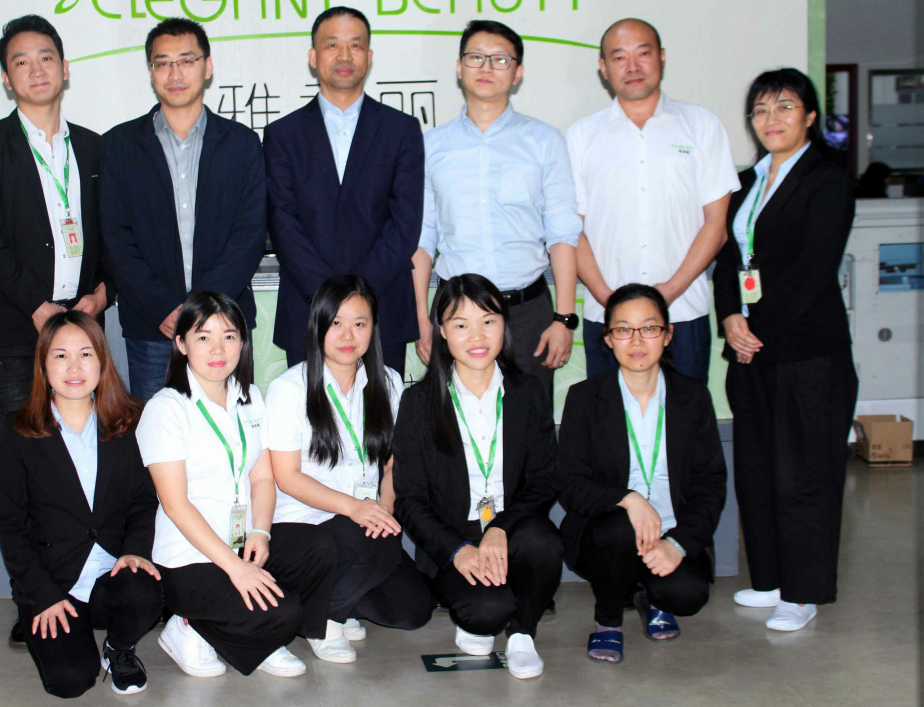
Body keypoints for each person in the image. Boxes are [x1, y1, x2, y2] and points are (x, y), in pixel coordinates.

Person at [713, 68, 858, 632]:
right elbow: (730, 259)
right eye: (761, 109)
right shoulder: (747, 182)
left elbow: (814, 269)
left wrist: (757, 330)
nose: (771, 119)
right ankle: (771, 579)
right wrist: (731, 317)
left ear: (810, 116)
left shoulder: (827, 179)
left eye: (784, 107)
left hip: (806, 353)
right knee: (758, 471)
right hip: (750, 351)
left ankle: (804, 591)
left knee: (804, 474)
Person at [137, 291, 340, 678]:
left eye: (229, 336)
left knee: (319, 546)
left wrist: (261, 532)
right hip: (189, 557)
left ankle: (257, 634)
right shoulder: (165, 408)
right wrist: (235, 568)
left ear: (242, 342)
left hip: (240, 541)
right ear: (181, 344)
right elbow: (176, 505)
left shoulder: (250, 397)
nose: (218, 349)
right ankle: (189, 626)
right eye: (203, 337)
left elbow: (262, 477)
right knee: (285, 614)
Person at [393, 274, 563, 680]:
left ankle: (523, 634)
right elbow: (410, 499)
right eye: (461, 324)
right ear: (442, 331)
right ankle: (487, 608)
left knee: (544, 541)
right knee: (487, 612)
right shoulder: (418, 402)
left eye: (488, 321)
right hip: (453, 535)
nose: (477, 336)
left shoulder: (528, 392)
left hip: (512, 528)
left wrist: (501, 527)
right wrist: (456, 549)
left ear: (505, 324)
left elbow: (544, 480)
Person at [0, 311, 162, 697]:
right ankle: (69, 635)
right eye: (60, 355)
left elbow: (142, 501)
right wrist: (42, 594)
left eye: (85, 354)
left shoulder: (129, 422)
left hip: (111, 573)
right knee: (70, 683)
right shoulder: (18, 430)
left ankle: (118, 648)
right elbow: (9, 524)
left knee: (144, 591)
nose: (74, 367)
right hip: (53, 582)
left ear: (102, 361)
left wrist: (135, 551)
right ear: (43, 365)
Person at [557, 284, 726, 664]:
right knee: (621, 528)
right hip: (607, 533)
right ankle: (607, 621)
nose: (636, 340)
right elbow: (570, 484)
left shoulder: (693, 397)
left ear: (667, 334)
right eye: (623, 329)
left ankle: (651, 596)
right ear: (607, 338)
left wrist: (678, 544)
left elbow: (711, 484)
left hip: (671, 530)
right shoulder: (585, 398)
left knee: (687, 595)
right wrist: (629, 500)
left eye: (649, 328)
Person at [100, 17, 267, 402]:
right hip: (153, 328)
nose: (175, 74)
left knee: (231, 429)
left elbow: (250, 234)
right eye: (163, 63)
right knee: (159, 432)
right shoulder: (119, 147)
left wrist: (204, 312)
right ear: (151, 72)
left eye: (187, 61)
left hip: (225, 325)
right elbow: (116, 240)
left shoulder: (242, 144)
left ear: (207, 67)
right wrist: (164, 307)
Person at [267, 275, 435, 655]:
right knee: (369, 544)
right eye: (336, 323)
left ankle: (335, 601)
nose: (348, 335)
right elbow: (287, 477)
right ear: (318, 326)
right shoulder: (290, 388)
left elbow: (393, 465)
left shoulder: (389, 383)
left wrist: (383, 511)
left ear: (373, 327)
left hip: (360, 522)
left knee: (413, 609)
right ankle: (325, 621)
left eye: (360, 323)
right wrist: (356, 508)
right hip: (304, 523)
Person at [568, 18, 741, 384]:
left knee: (684, 418)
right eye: (619, 57)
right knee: (608, 419)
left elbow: (717, 225)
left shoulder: (702, 125)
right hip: (607, 321)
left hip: (682, 314)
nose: (632, 66)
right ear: (603, 68)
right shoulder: (581, 137)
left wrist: (668, 293)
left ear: (661, 57)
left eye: (643, 54)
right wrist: (609, 300)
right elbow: (572, 230)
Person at [0, 15, 112, 448]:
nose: (36, 70)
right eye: (21, 62)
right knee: (21, 454)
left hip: (83, 329)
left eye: (46, 58)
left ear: (64, 68)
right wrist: (35, 305)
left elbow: (114, 232)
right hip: (15, 334)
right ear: (6, 79)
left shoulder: (93, 147)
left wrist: (104, 293)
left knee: (83, 450)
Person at [414, 20, 580, 393]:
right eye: (476, 57)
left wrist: (564, 319)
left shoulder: (544, 141)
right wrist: (422, 320)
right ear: (459, 68)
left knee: (533, 419)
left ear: (517, 73)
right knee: (456, 420)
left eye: (500, 59)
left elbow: (562, 232)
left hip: (528, 313)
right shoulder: (431, 146)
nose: (486, 67)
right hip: (456, 313)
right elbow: (422, 239)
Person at [264, 6, 424, 376]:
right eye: (332, 45)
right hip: (309, 310)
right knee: (311, 413)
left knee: (381, 412)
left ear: (369, 57)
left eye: (355, 45)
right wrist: (331, 300)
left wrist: (358, 299)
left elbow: (404, 225)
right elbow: (283, 224)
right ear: (313, 57)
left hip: (382, 310)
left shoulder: (401, 130)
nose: (345, 55)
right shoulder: (283, 135)